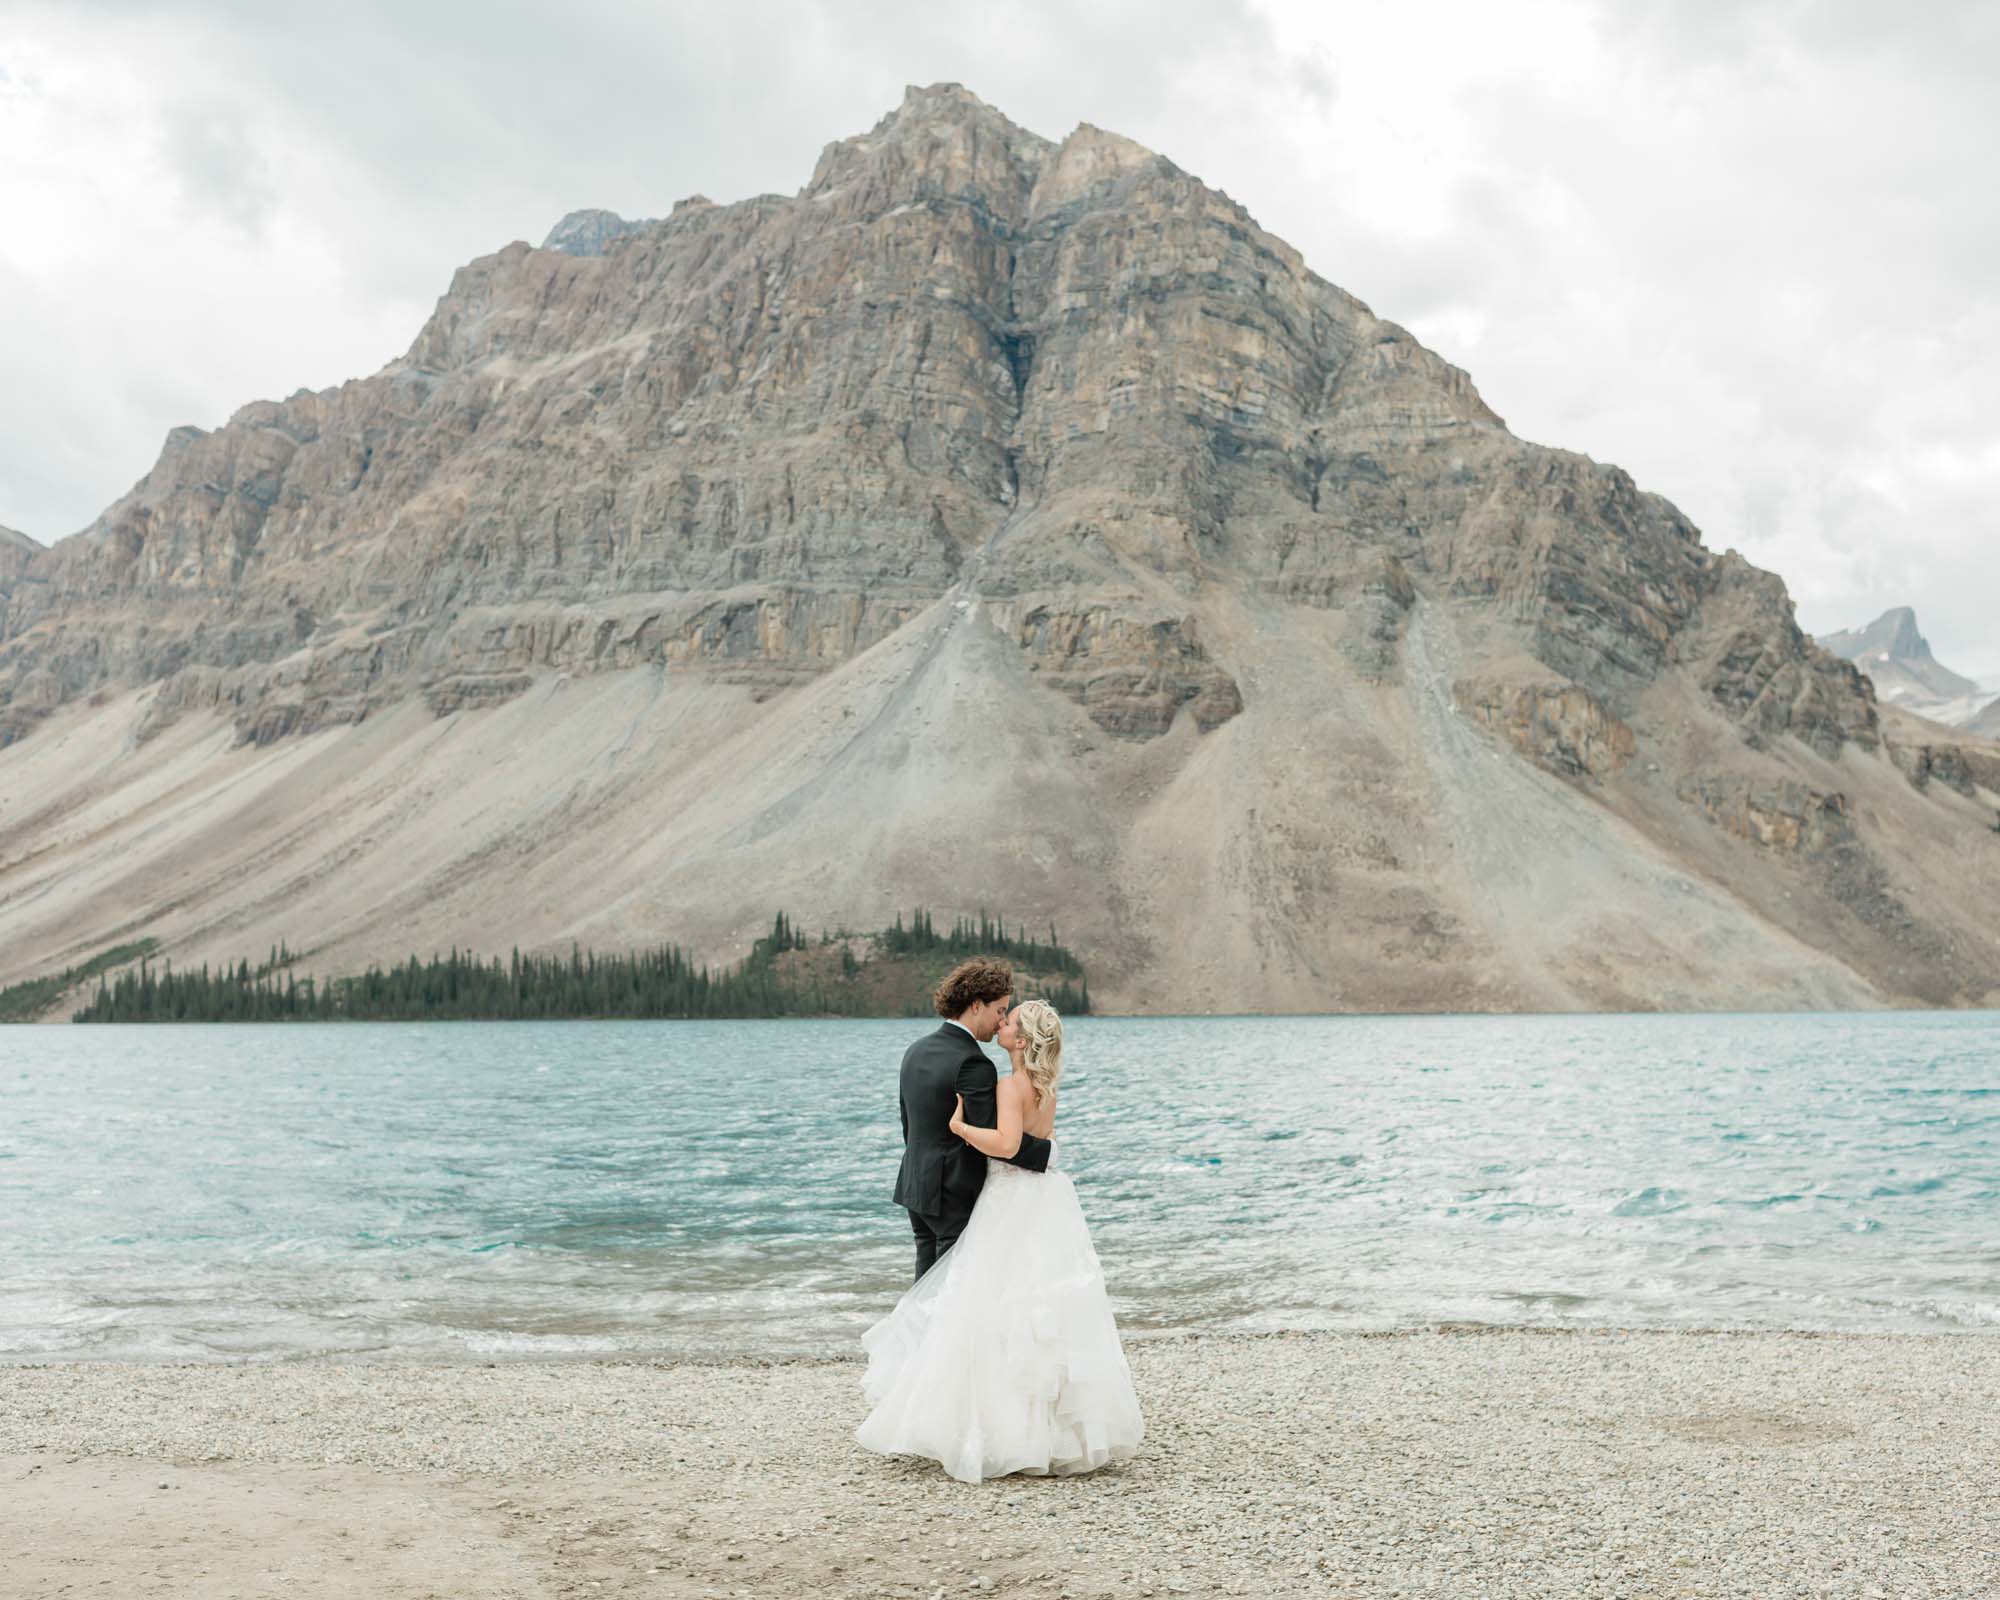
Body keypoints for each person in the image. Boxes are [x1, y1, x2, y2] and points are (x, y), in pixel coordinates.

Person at [858, 979, 1144, 1483]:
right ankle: (952, 1404)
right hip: (983, 1195)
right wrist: (1047, 1155)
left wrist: (962, 1131)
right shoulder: (986, 1068)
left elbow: (923, 1125)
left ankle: (932, 1405)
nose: (1002, 1020)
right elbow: (1018, 1143)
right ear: (978, 1006)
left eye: (1010, 1016)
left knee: (950, 1301)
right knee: (1001, 1302)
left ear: (1021, 1036)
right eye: (1000, 1010)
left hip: (920, 1189)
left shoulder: (916, 1051)